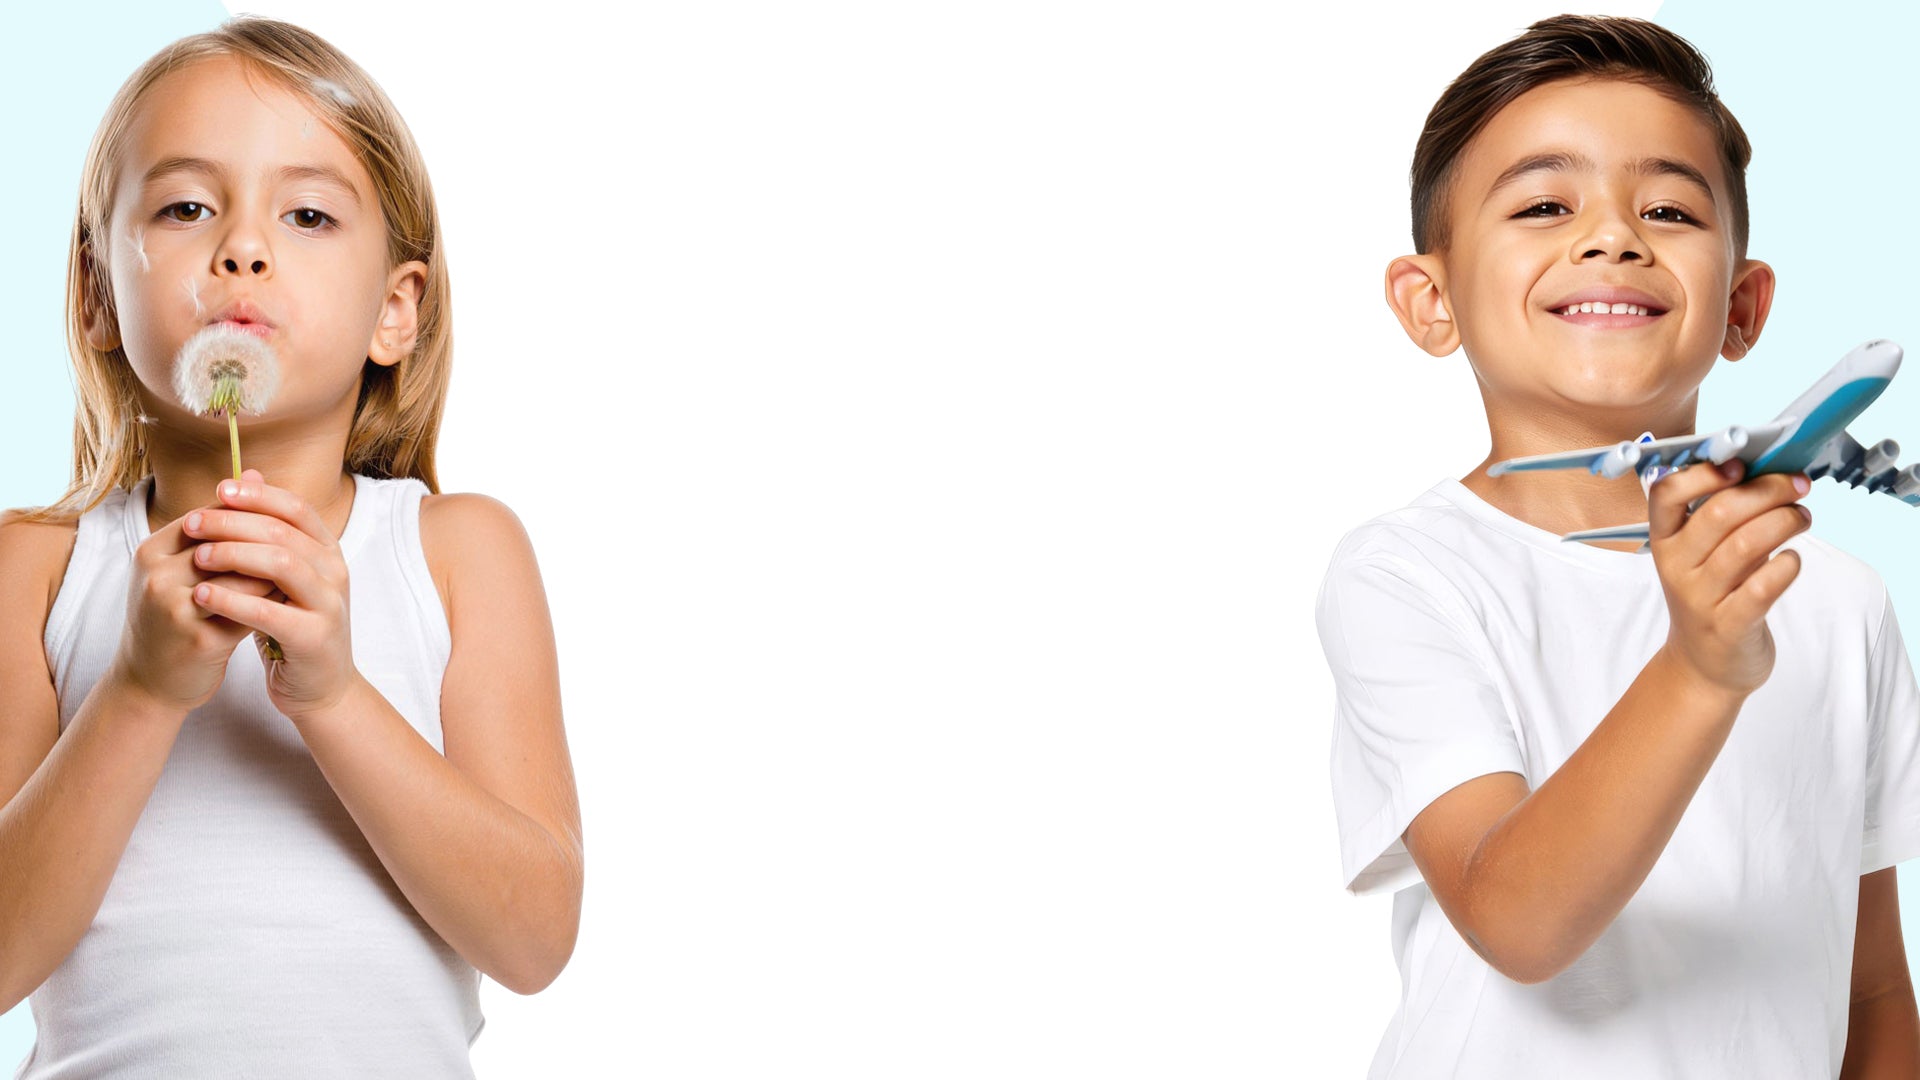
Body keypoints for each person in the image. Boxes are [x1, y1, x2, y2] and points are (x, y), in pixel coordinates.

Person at [1316, 14, 1920, 1078]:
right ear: (1431, 300)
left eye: (1670, 209)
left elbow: (1870, 983)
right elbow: (1519, 925)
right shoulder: (1407, 578)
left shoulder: (1838, 600)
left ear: (1742, 306)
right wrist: (1699, 668)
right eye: (1545, 204)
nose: (1612, 237)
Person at [0, 17, 582, 1077]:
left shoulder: (457, 552)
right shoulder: (35, 569)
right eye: (185, 207)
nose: (243, 248)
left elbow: (535, 937)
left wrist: (333, 694)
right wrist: (139, 689)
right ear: (95, 293)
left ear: (395, 313)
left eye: (308, 214)